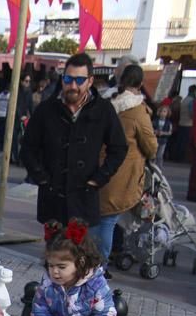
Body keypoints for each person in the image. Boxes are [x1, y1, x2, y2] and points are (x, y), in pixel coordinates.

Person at [20, 52, 128, 228]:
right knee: (54, 253)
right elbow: (28, 147)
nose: (73, 86)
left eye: (79, 80)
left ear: (90, 81)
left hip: (83, 198)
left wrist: (98, 179)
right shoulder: (46, 109)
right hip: (52, 198)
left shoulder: (103, 110)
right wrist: (41, 177)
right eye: (68, 79)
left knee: (81, 253)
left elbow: (119, 148)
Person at [94, 64, 158, 257]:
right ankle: (99, 266)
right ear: (140, 83)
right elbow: (151, 146)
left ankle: (90, 261)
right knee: (108, 220)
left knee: (96, 219)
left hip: (96, 166)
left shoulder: (103, 102)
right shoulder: (137, 111)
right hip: (120, 173)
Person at [173, 85, 196, 162]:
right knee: (185, 143)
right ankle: (181, 158)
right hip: (188, 124)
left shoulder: (184, 100)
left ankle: (176, 156)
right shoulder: (192, 101)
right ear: (195, 91)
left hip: (181, 122)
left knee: (179, 141)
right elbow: (192, 114)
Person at [0, 84, 11, 152]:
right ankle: (4, 146)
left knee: (0, 132)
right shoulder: (10, 96)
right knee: (5, 132)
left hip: (0, 115)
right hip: (6, 115)